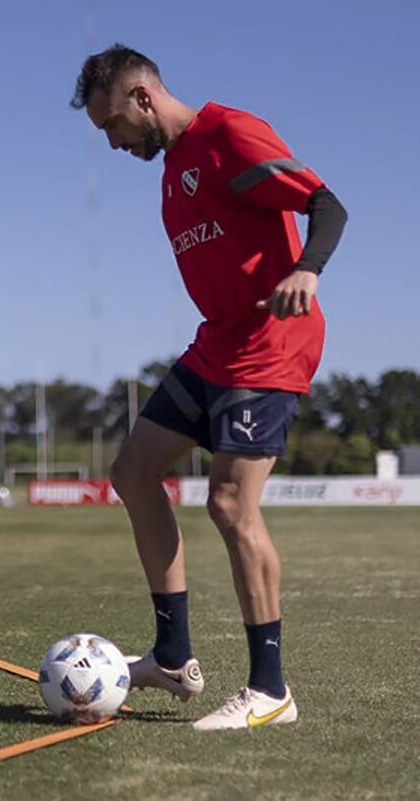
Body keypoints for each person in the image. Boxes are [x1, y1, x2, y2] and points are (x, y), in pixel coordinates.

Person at [71, 45, 346, 730]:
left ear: (142, 99)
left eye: (113, 126)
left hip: (272, 344)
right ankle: (171, 656)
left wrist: (307, 271)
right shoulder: (171, 171)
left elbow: (327, 204)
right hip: (216, 344)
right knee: (134, 471)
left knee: (230, 505)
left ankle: (271, 689)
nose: (114, 143)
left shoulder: (229, 134)